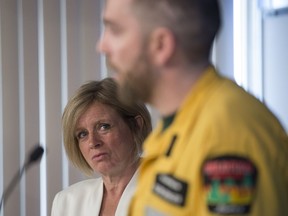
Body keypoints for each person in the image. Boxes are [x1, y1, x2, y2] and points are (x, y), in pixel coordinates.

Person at [97, 0, 288, 215]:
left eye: (115, 30)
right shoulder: (176, 127)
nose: (102, 46)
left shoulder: (227, 130)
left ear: (161, 45)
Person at [51, 78, 152, 216]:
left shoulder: (169, 194)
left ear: (136, 126)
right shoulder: (67, 202)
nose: (93, 142)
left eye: (104, 126)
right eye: (82, 134)